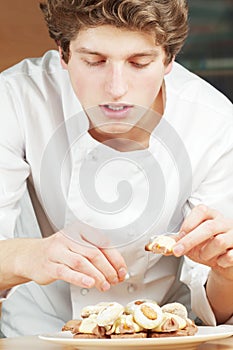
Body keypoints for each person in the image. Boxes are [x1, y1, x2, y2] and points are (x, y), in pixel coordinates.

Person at [0, 0, 233, 338]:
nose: (116, 89)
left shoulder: (213, 122)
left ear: (168, 59)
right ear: (63, 53)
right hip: (35, 336)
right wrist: (29, 256)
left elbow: (215, 306)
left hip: (164, 340)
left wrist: (226, 272)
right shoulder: (18, 98)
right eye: (94, 61)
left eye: (139, 63)